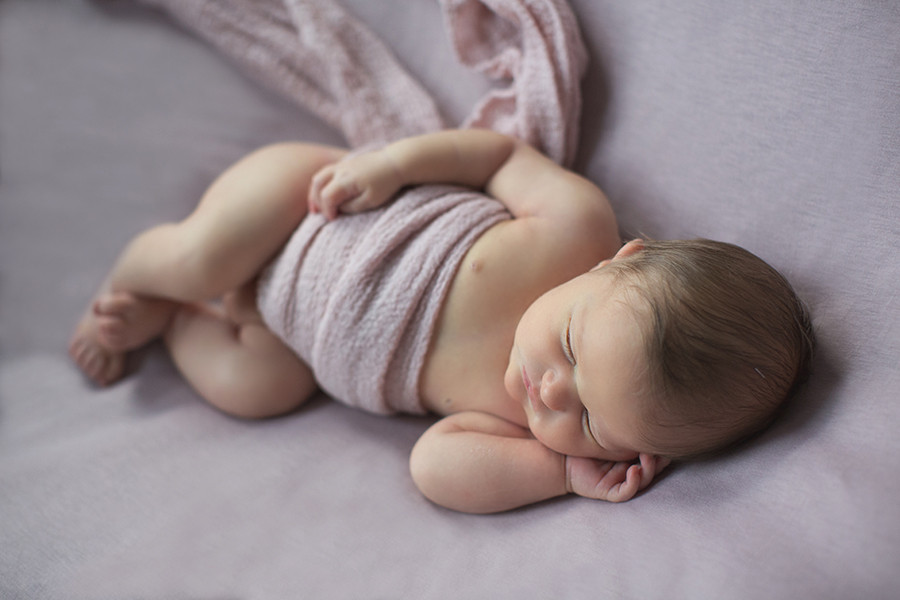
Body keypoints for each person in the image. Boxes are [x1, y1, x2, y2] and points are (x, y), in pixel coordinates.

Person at [69, 129, 814, 513]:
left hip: (284, 336)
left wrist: (558, 470)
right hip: (304, 205)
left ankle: (167, 326)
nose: (552, 393)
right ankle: (132, 279)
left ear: (629, 452)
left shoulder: (522, 432)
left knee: (255, 388)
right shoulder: (574, 226)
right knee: (200, 258)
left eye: (587, 422)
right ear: (617, 261)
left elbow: (433, 468)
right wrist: (393, 164)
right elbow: (496, 156)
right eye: (568, 347)